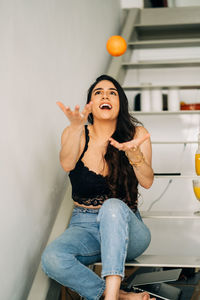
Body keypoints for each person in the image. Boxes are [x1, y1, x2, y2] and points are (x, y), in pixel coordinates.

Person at [41, 74, 155, 300]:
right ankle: (120, 296)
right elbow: (67, 163)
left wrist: (135, 155)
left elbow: (147, 181)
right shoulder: (76, 133)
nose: (105, 95)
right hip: (84, 226)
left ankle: (111, 298)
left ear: (120, 103)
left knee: (112, 206)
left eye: (112, 92)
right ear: (91, 106)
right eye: (98, 92)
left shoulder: (137, 134)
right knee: (52, 258)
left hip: (129, 228)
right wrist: (75, 127)